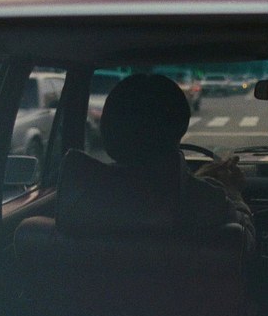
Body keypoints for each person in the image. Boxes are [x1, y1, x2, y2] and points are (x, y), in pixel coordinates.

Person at [98, 73, 255, 251]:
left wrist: (194, 180)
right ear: (181, 124)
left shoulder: (82, 196)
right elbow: (244, 243)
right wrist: (233, 193)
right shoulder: (205, 200)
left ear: (107, 128)